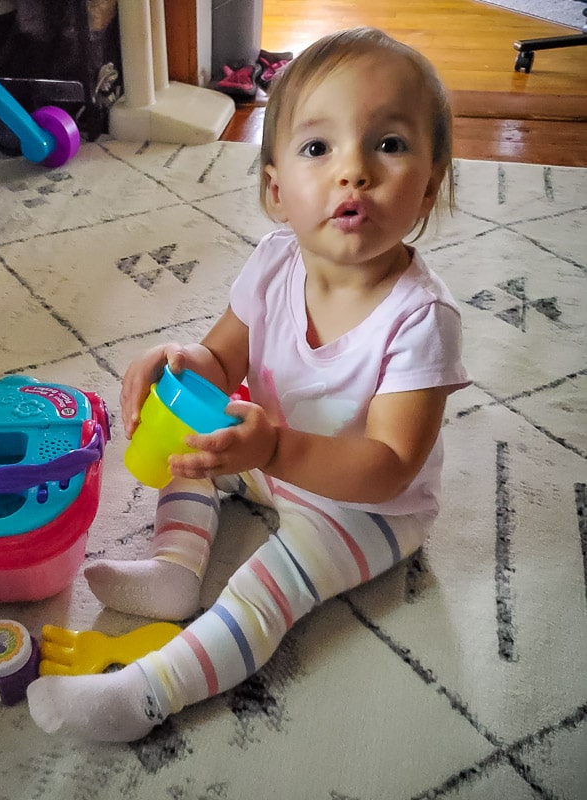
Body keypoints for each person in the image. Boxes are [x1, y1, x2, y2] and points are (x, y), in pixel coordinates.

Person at [27, 26, 469, 742]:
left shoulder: (422, 319)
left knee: (265, 588)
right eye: (318, 148)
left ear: (431, 184)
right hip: (267, 459)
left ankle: (146, 694)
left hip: (367, 512)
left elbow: (390, 468)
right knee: (191, 455)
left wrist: (273, 452)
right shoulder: (272, 264)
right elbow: (220, 358)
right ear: (275, 190)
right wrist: (179, 362)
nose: (352, 170)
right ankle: (175, 568)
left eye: (388, 144)